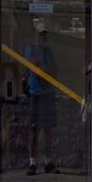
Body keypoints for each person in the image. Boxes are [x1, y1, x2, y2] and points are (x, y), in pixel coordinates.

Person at [23, 28, 57, 174]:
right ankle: (32, 162)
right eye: (39, 35)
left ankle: (47, 161)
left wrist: (43, 68)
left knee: (48, 128)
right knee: (33, 128)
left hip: (47, 93)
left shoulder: (48, 52)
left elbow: (53, 70)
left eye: (44, 35)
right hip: (35, 93)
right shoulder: (30, 49)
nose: (41, 38)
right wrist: (43, 67)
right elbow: (33, 66)